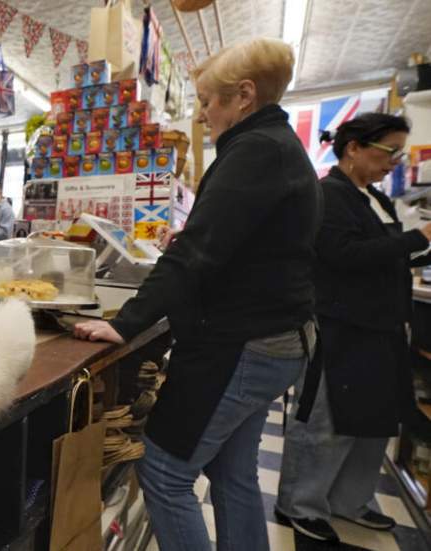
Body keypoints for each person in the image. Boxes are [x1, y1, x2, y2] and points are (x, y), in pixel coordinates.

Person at [73, 38, 322, 550]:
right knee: (234, 475)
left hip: (242, 343)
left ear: (244, 95)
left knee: (164, 473)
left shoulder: (254, 151)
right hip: (278, 339)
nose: (203, 114)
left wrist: (124, 323)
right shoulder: (277, 146)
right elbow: (254, 241)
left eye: (208, 101)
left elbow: (195, 259)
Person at [274, 114, 431, 543]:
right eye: (388, 151)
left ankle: (349, 500)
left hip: (380, 327)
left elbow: (382, 255)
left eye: (400, 152)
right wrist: (419, 238)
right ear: (354, 148)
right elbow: (343, 254)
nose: (395, 161)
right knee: (326, 421)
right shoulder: (329, 195)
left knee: (374, 422)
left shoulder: (372, 198)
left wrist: (414, 253)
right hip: (340, 327)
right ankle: (300, 504)